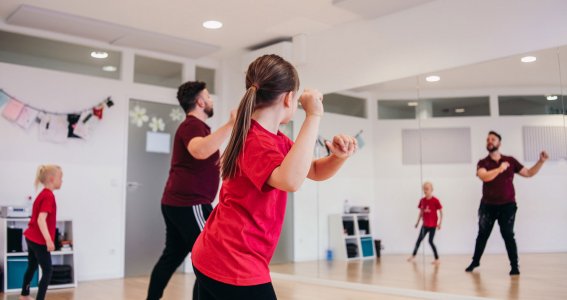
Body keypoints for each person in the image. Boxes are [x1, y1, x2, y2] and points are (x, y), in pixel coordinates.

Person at [191, 54, 357, 300]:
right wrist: (313, 116)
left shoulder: (275, 140)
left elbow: (312, 170)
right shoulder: (254, 140)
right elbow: (290, 180)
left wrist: (338, 157)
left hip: (216, 255)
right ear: (289, 97)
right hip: (232, 262)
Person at [146, 81, 235, 300]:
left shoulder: (199, 128)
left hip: (177, 202)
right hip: (189, 204)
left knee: (172, 256)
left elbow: (202, 156)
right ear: (200, 101)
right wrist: (232, 124)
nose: (211, 100)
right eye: (209, 96)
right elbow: (199, 151)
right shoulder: (192, 126)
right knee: (211, 254)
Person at [465, 130, 548, 276]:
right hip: (488, 206)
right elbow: (484, 177)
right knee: (483, 234)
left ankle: (514, 266)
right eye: (488, 139)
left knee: (508, 234)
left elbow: (528, 173)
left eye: (493, 139)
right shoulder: (482, 162)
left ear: (499, 143)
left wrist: (540, 162)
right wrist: (499, 169)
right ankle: (475, 261)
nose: (490, 141)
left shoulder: (510, 160)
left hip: (507, 206)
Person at [20, 165, 63, 300]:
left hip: (31, 238)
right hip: (39, 241)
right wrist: (49, 240)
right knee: (48, 270)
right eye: (60, 178)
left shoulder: (42, 194)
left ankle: (24, 295)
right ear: (51, 179)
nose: (62, 181)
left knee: (32, 266)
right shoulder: (48, 196)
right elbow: (41, 219)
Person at [407, 181, 443, 264]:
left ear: (431, 190)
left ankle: (437, 259)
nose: (425, 191)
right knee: (419, 240)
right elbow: (421, 212)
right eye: (424, 189)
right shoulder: (422, 200)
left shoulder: (435, 201)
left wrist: (440, 223)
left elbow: (441, 212)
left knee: (430, 241)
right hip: (425, 225)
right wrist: (417, 222)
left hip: (433, 226)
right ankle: (413, 255)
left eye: (427, 189)